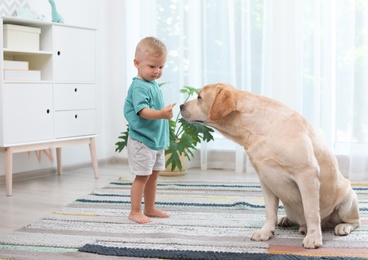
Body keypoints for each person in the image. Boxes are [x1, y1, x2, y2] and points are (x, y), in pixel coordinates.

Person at [124, 37, 175, 224]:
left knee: (153, 176)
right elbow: (143, 111)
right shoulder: (138, 86)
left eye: (161, 67)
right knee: (142, 176)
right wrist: (161, 114)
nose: (157, 71)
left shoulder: (151, 84)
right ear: (137, 63)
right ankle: (135, 211)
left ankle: (150, 207)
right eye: (152, 66)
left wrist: (163, 113)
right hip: (142, 141)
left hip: (155, 140)